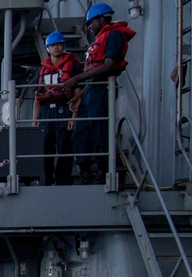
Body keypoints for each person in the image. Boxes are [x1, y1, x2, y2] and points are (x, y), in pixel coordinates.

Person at [63, 3, 136, 185]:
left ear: (101, 19)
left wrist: (77, 78)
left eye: (90, 23)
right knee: (79, 134)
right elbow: (95, 75)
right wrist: (78, 96)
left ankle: (102, 173)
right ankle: (85, 172)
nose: (88, 27)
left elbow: (109, 65)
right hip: (92, 90)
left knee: (99, 132)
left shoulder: (114, 35)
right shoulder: (102, 37)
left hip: (102, 90)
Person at [33, 31, 83, 186]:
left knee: (64, 147)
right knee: (45, 148)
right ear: (48, 48)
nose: (56, 48)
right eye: (53, 45)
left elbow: (77, 94)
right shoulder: (41, 70)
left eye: (59, 44)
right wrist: (35, 121)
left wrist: (73, 117)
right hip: (47, 112)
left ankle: (63, 181)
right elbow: (38, 97)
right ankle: (46, 181)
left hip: (64, 108)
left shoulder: (73, 66)